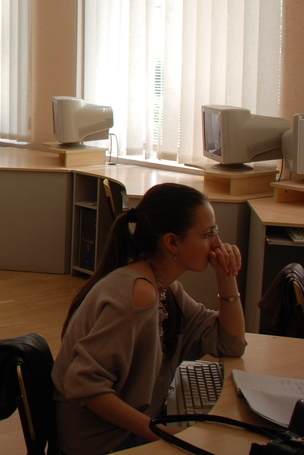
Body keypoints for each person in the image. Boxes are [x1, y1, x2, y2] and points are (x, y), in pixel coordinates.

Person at [52, 183, 246, 455]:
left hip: (122, 431)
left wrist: (227, 277)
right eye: (207, 234)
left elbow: (231, 344)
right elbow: (84, 384)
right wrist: (166, 434)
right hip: (104, 443)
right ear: (172, 242)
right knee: (227, 445)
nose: (217, 244)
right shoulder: (137, 295)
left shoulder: (165, 288)